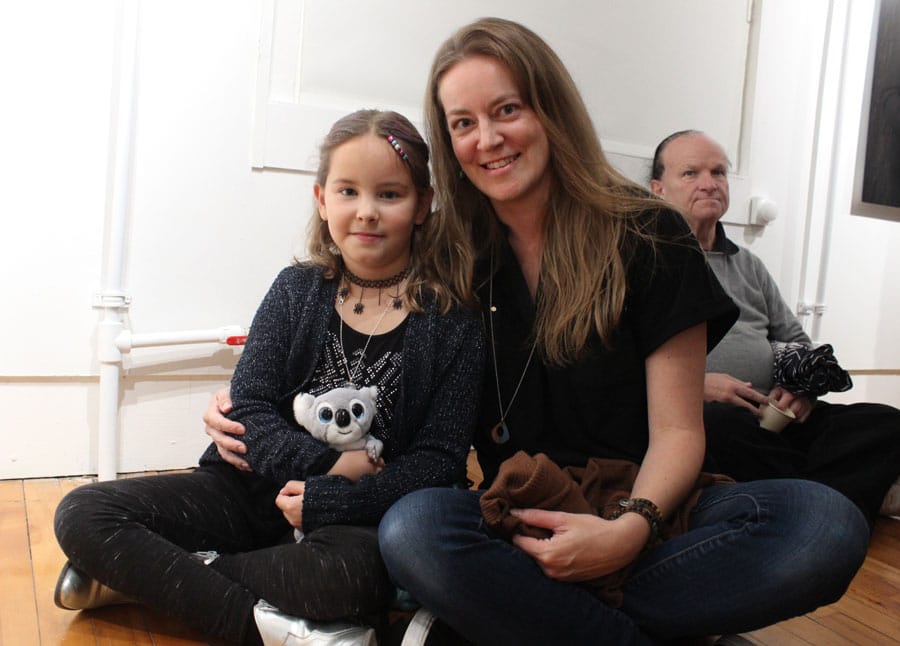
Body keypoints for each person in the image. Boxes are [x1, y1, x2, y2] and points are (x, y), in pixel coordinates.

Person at [206, 19, 870, 645]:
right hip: (519, 518)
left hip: (647, 507)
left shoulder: (650, 234)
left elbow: (679, 433)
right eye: (463, 123)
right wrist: (248, 403)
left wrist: (628, 530)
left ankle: (530, 619)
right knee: (415, 530)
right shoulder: (453, 254)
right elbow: (370, 353)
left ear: (551, 109)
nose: (487, 138)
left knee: (825, 526)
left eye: (507, 110)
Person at [52, 109, 485, 646]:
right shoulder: (295, 289)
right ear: (322, 199)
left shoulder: (453, 322)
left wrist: (333, 498)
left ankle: (147, 578)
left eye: (389, 195)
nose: (366, 212)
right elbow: (250, 408)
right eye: (348, 191)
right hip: (247, 491)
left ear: (422, 205)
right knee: (83, 512)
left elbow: (439, 459)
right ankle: (251, 623)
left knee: (348, 581)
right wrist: (330, 464)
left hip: (353, 520)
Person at [649, 128, 900, 529]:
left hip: (774, 416)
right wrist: (696, 387)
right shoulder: (644, 261)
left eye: (718, 172)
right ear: (658, 189)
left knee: (883, 422)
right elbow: (616, 365)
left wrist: (800, 390)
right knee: (720, 427)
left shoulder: (748, 265)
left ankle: (807, 505)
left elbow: (795, 340)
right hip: (702, 418)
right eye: (691, 173)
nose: (709, 183)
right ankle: (832, 502)